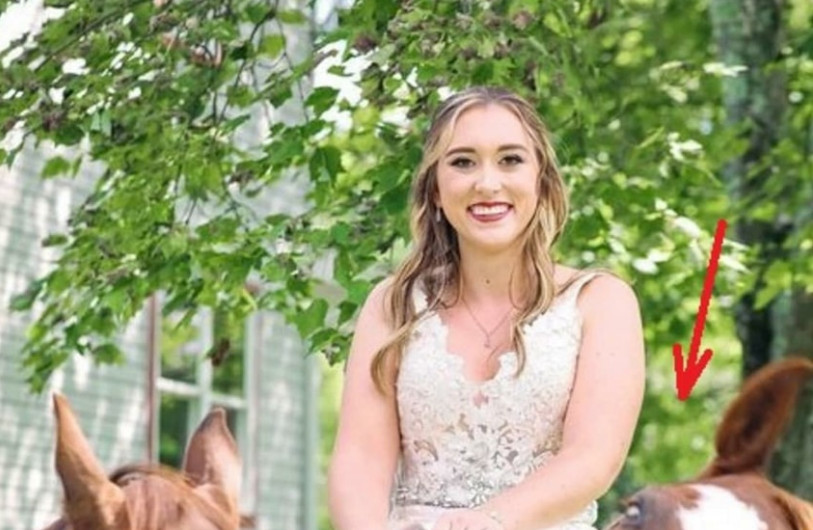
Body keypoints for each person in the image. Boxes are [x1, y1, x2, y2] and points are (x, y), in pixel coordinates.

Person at [327, 86, 645, 530]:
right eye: (463, 162)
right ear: (436, 190)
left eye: (510, 160)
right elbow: (359, 461)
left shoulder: (601, 301)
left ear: (541, 182)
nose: (488, 183)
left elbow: (593, 457)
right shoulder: (393, 303)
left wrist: (489, 521)